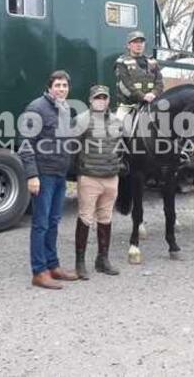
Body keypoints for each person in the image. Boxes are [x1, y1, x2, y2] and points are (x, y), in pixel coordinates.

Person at [18, 70, 79, 289]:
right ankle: (39, 271)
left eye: (65, 85)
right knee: (41, 224)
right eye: (58, 85)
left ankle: (53, 266)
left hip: (60, 174)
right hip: (43, 175)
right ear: (49, 87)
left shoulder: (65, 109)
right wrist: (32, 175)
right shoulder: (36, 108)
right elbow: (25, 143)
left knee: (53, 222)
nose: (62, 89)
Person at [73, 85, 123, 279]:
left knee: (106, 218)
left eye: (104, 97)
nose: (101, 100)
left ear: (109, 100)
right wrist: (80, 170)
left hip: (111, 178)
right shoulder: (81, 120)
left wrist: (120, 164)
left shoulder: (117, 122)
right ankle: (80, 262)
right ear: (90, 100)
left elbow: (122, 147)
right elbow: (72, 147)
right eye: (97, 97)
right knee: (85, 218)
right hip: (89, 177)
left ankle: (102, 259)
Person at [114, 30, 164, 128]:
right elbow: (126, 85)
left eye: (141, 42)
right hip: (129, 105)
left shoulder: (153, 61)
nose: (139, 45)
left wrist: (153, 94)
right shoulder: (121, 62)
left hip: (152, 102)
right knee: (117, 129)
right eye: (135, 42)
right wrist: (143, 96)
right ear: (129, 45)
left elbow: (160, 82)